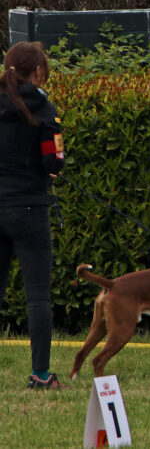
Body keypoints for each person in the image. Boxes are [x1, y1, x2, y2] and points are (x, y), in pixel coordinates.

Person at [0, 42, 66, 389]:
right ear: (38, 72)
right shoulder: (45, 109)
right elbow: (52, 162)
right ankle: (40, 374)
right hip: (29, 208)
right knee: (37, 296)